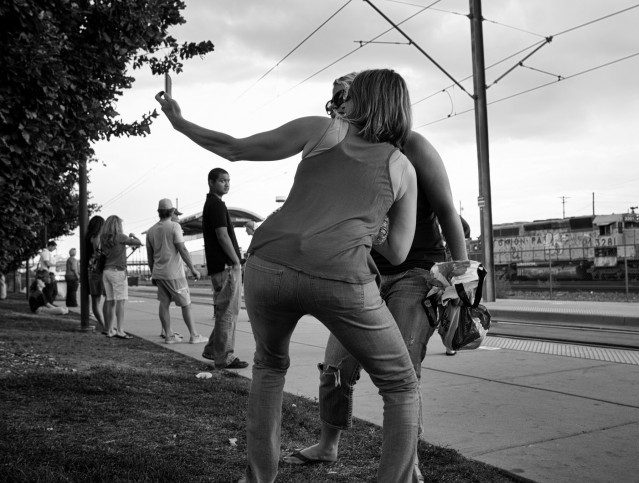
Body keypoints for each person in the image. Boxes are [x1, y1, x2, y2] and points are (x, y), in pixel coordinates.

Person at [156, 68, 419, 483]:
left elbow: (233, 148)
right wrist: (371, 220)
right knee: (401, 384)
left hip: (268, 266)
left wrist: (179, 121)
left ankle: (257, 479)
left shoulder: (320, 131)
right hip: (340, 276)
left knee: (269, 366)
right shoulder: (402, 167)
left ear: (360, 100)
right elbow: (398, 251)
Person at [281, 73, 469, 479]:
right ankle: (328, 446)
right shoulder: (339, 149)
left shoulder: (414, 148)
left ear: (366, 102)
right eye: (332, 102)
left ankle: (408, 459)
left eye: (343, 99)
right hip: (365, 272)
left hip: (417, 271)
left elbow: (448, 213)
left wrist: (461, 277)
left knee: (403, 369)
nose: (335, 108)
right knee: (334, 366)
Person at [195, 168, 249, 370]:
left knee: (224, 311)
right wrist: (235, 261)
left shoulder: (213, 203)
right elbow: (222, 235)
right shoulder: (216, 205)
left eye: (228, 180)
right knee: (228, 312)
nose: (226, 184)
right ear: (211, 182)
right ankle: (224, 357)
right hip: (226, 266)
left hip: (221, 266)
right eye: (222, 181)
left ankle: (212, 349)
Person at [146, 198, 208, 345]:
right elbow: (182, 249)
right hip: (174, 274)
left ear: (158, 212)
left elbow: (150, 257)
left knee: (164, 303)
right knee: (186, 304)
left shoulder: (151, 231)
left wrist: (153, 273)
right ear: (172, 211)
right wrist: (193, 269)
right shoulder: (175, 227)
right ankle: (194, 335)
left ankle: (168, 336)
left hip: (159, 273)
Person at [99, 215, 142, 338]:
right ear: (118, 225)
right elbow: (138, 243)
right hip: (118, 271)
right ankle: (120, 330)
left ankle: (109, 330)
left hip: (106, 271)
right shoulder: (121, 237)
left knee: (110, 300)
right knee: (120, 302)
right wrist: (133, 236)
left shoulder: (103, 238)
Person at [85, 215, 106, 330]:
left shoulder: (89, 237)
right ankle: (106, 326)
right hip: (97, 271)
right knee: (97, 301)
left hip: (91, 270)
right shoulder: (97, 237)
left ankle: (106, 325)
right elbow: (98, 254)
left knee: (96, 300)